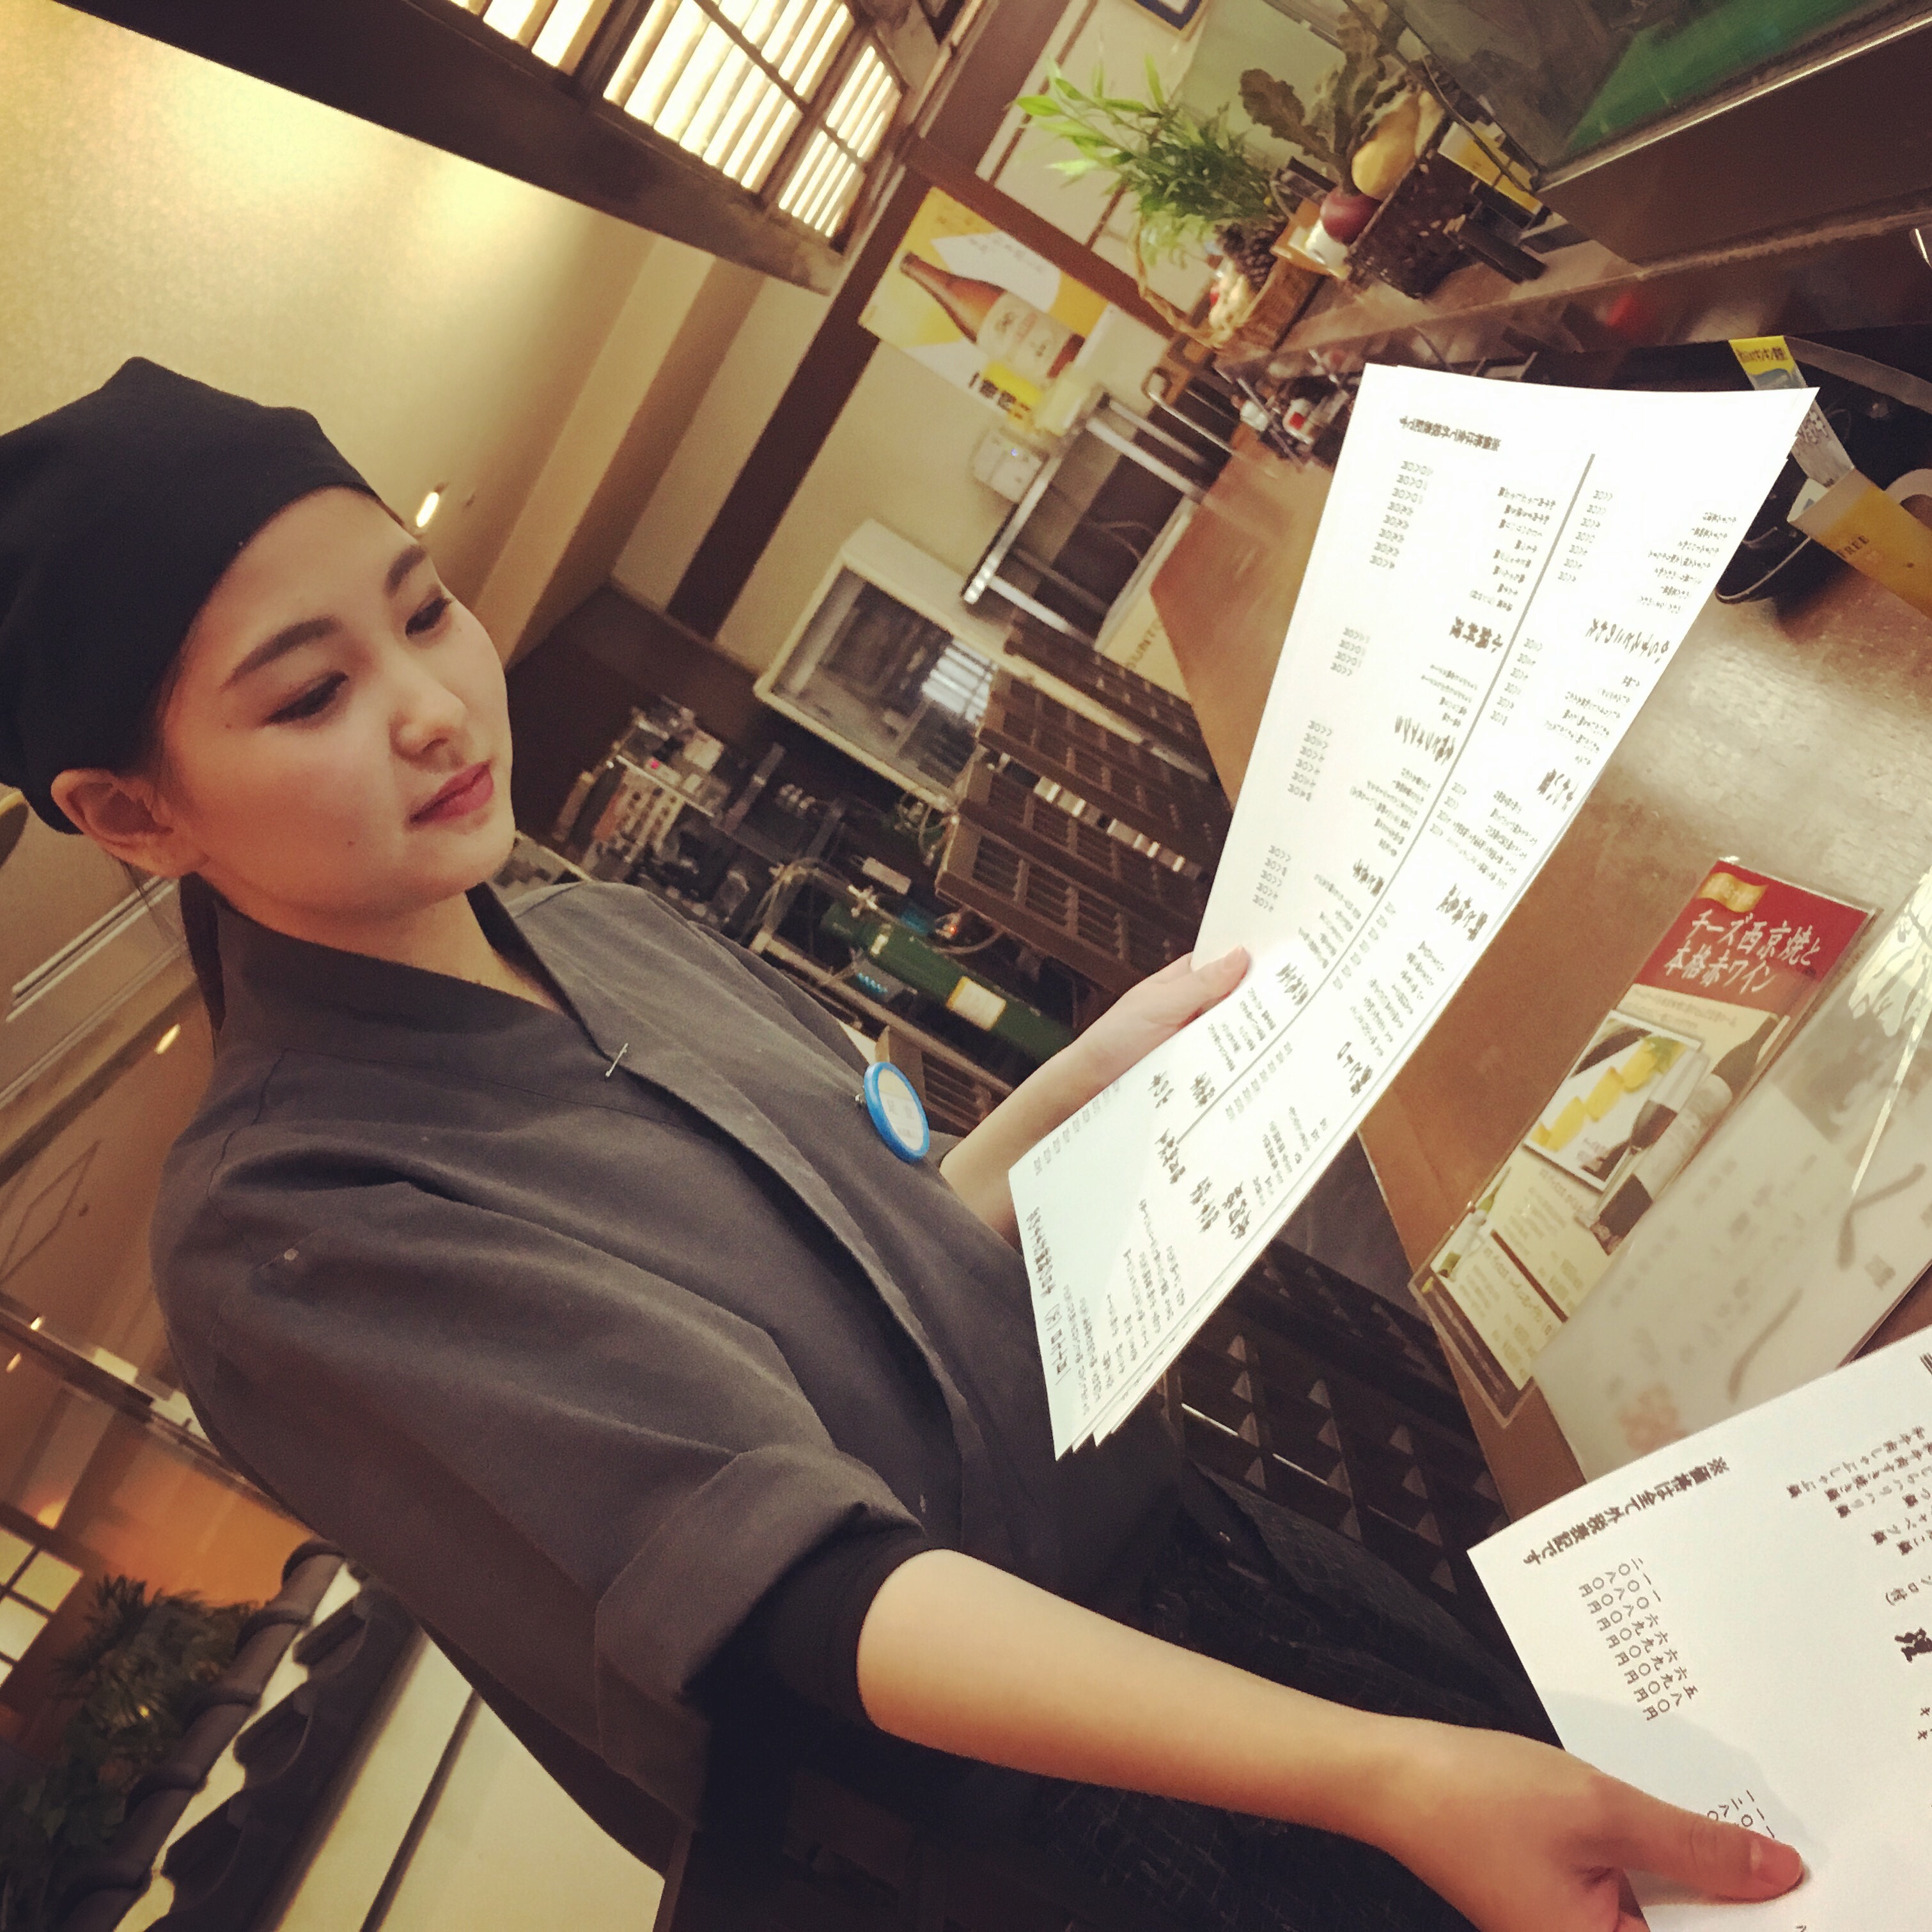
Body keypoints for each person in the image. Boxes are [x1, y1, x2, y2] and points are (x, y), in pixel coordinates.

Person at [0, 361, 1803, 1932]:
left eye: (424, 607)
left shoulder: (595, 927)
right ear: (133, 814)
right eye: (307, 696)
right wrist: (1381, 1777)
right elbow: (801, 1588)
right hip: (1114, 1813)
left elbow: (884, 1256)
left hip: (1228, 1569)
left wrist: (1080, 1084)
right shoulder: (280, 1225)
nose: (430, 703)